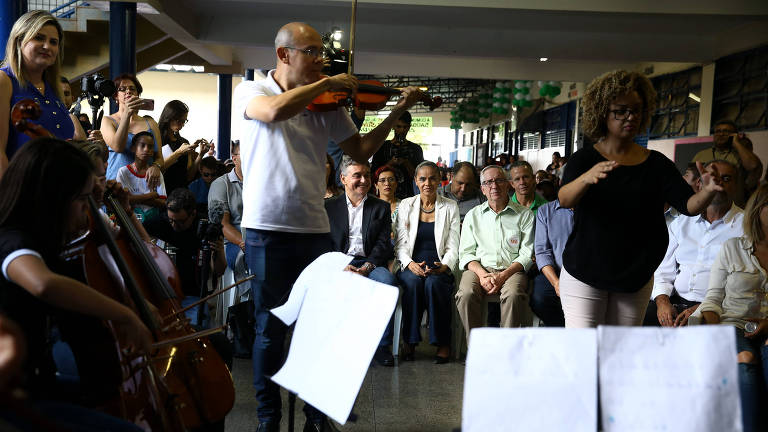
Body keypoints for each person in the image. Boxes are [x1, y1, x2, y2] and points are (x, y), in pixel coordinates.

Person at [233, 21, 419, 432]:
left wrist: (398, 111)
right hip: (267, 228)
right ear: (284, 55)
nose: (322, 59)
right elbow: (276, 111)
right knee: (270, 327)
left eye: (323, 53)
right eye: (312, 52)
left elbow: (362, 150)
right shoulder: (252, 91)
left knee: (317, 328)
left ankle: (314, 418)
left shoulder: (327, 104)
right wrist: (326, 84)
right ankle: (268, 421)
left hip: (314, 229)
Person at [0, 138, 151, 431]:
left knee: (112, 395)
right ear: (54, 199)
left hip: (37, 381)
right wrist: (124, 314)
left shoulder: (45, 242)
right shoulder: (12, 240)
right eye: (82, 201)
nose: (86, 210)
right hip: (12, 396)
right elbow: (43, 284)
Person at [557, 69, 723, 328]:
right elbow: (564, 199)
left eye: (636, 110)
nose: (630, 117)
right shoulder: (585, 159)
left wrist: (709, 190)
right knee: (584, 350)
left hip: (635, 274)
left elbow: (688, 206)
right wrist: (587, 178)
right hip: (586, 271)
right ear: (603, 113)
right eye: (621, 111)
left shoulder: (656, 164)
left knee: (622, 351)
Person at [693, 184, 768, 432]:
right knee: (745, 360)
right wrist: (719, 336)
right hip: (732, 325)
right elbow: (713, 298)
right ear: (758, 210)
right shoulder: (734, 247)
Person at [646, 160, 744, 327]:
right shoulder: (680, 223)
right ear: (700, 184)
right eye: (712, 178)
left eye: (726, 179)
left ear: (737, 186)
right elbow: (663, 270)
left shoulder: (747, 227)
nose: (717, 184)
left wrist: (703, 308)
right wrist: (662, 302)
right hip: (673, 301)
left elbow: (743, 283)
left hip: (718, 308)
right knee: (638, 331)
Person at [325, 155, 397, 366]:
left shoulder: (380, 207)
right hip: (338, 262)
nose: (364, 180)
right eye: (357, 176)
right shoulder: (328, 207)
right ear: (343, 179)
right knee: (329, 284)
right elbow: (324, 242)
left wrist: (366, 268)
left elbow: (383, 245)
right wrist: (340, 265)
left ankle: (382, 347)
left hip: (370, 263)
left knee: (388, 284)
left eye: (366, 175)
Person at [0, 10, 85, 177]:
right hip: (23, 189)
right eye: (39, 38)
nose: (47, 46)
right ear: (19, 40)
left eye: (53, 42)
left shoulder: (54, 89)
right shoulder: (4, 80)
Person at [456, 165, 535, 339]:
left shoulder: (525, 215)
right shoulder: (473, 215)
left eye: (499, 180)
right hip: (479, 270)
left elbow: (526, 254)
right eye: (488, 182)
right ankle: (476, 347)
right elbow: (467, 254)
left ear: (508, 185)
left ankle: (506, 351)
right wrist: (483, 275)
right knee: (466, 294)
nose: (494, 186)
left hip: (512, 270)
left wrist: (503, 275)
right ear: (482, 189)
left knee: (513, 295)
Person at [395, 161, 459, 364]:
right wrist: (410, 264)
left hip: (439, 264)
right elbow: (400, 244)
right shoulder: (406, 205)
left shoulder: (450, 206)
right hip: (411, 263)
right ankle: (410, 341)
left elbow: (453, 245)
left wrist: (445, 265)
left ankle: (442, 342)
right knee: (412, 283)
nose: (427, 183)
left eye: (432, 178)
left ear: (440, 180)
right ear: (416, 181)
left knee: (435, 284)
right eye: (422, 178)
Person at [143, 188, 227, 327]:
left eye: (180, 222)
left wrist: (220, 251)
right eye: (171, 220)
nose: (174, 225)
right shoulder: (157, 223)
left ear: (193, 214)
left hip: (192, 295)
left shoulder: (207, 227)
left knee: (196, 329)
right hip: (163, 294)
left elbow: (220, 270)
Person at [101, 73, 163, 183]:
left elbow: (159, 157)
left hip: (144, 184)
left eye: (132, 89)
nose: (128, 91)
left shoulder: (150, 123)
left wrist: (156, 166)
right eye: (122, 89)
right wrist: (126, 115)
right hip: (116, 185)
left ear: (138, 95)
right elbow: (118, 147)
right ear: (116, 96)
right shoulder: (108, 121)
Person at [692, 120, 761, 207]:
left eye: (726, 131)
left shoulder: (741, 155)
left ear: (734, 135)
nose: (721, 134)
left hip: (733, 207)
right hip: (704, 206)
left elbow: (753, 166)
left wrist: (736, 143)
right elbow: (692, 180)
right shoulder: (701, 155)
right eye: (718, 131)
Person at [530, 198, 573, 327]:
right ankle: (560, 329)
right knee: (540, 298)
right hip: (556, 271)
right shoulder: (546, 211)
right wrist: (556, 282)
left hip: (586, 272)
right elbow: (542, 252)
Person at [208, 140, 246, 278]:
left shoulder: (262, 184)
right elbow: (223, 225)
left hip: (261, 239)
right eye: (246, 154)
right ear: (235, 159)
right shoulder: (221, 184)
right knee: (254, 259)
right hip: (233, 243)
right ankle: (251, 299)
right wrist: (244, 243)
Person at [158, 99, 212, 194]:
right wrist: (179, 152)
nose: (182, 124)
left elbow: (188, 177)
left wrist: (200, 154)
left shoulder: (183, 142)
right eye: (179, 120)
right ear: (169, 117)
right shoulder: (157, 139)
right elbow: (157, 169)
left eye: (184, 121)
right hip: (162, 194)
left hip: (181, 194)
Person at [115, 131, 167, 223]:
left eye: (150, 147)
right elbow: (123, 200)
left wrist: (134, 198)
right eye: (142, 145)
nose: (146, 149)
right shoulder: (124, 172)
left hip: (153, 220)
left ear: (152, 152)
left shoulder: (156, 173)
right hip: (130, 220)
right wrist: (151, 195)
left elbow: (163, 203)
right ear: (133, 148)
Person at [371, 111, 424, 199]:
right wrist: (390, 163)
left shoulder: (416, 149)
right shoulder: (382, 147)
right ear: (393, 126)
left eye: (405, 127)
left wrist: (406, 162)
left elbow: (420, 177)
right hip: (385, 196)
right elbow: (374, 175)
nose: (402, 130)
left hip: (408, 195)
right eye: (398, 126)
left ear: (409, 127)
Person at [374, 164, 400, 240]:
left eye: (391, 179)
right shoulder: (371, 207)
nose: (387, 184)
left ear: (396, 184)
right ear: (376, 185)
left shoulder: (405, 205)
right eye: (382, 180)